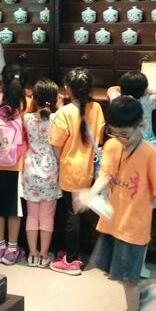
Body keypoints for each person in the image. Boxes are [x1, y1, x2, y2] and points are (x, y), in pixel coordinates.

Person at [78, 95, 156, 311]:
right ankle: (139, 294)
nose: (120, 139)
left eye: (125, 134)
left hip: (134, 226)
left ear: (140, 125)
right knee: (115, 270)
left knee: (126, 277)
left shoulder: (149, 154)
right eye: (115, 133)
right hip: (113, 221)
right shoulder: (113, 146)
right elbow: (106, 175)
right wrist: (90, 193)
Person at [107, 71, 156, 277]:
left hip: (126, 157)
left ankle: (119, 260)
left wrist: (121, 89)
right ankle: (140, 264)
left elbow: (111, 89)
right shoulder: (147, 101)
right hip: (148, 154)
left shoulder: (118, 101)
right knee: (144, 214)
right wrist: (150, 91)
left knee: (122, 210)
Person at [49, 67, 106, 275]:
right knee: (80, 214)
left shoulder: (64, 113)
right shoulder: (97, 108)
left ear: (67, 88)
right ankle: (75, 252)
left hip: (70, 169)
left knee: (71, 215)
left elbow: (56, 146)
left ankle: (71, 260)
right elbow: (99, 137)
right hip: (89, 167)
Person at [0, 63, 29, 265]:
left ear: (3, 80)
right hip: (16, 164)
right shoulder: (27, 103)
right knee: (13, 207)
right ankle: (12, 249)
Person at [22, 78, 62, 268]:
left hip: (30, 168)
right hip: (50, 168)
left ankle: (32, 254)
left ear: (34, 98)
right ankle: (44, 255)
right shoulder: (57, 118)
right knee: (47, 216)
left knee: (32, 215)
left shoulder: (27, 118)